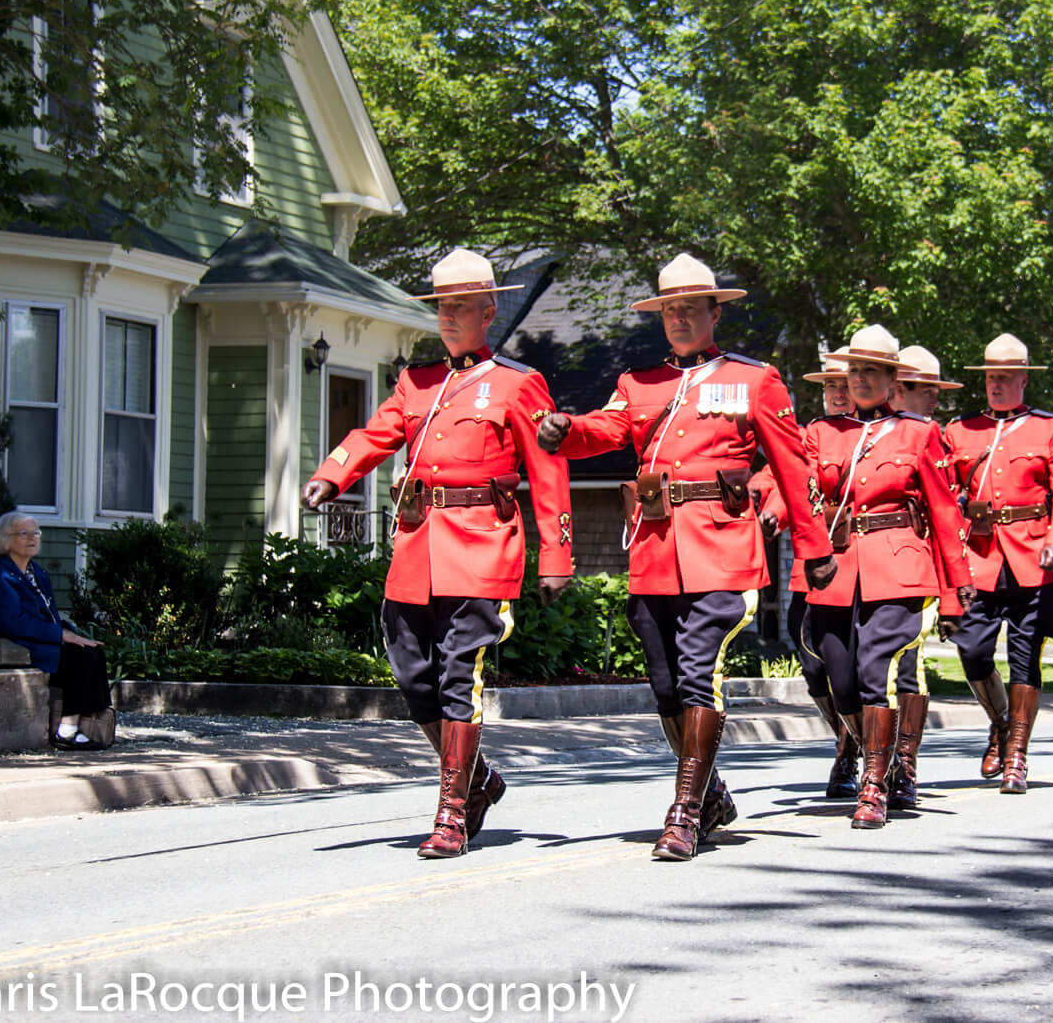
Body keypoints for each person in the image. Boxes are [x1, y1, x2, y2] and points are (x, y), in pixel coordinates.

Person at [536, 253, 836, 861]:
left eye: (690, 308)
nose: (678, 318)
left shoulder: (754, 379)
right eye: (669, 309)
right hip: (654, 547)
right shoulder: (638, 382)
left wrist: (815, 547)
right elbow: (605, 430)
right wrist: (566, 429)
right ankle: (712, 791)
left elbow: (792, 467)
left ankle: (686, 812)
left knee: (699, 674)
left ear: (714, 313)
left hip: (722, 548)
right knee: (666, 684)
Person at [303, 248, 573, 859]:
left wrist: (557, 557)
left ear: (488, 311)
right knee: (411, 673)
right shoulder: (416, 381)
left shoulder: (518, 384)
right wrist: (332, 475)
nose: (448, 317)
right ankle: (478, 780)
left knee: (457, 677)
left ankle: (452, 812)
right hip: (418, 546)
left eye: (460, 306)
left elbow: (549, 472)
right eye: (441, 307)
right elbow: (374, 434)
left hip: (481, 548)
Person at [799, 325, 972, 828]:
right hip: (836, 567)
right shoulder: (822, 432)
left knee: (876, 671)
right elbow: (800, 493)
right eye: (854, 370)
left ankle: (874, 785)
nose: (860, 379)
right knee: (841, 678)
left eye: (871, 371)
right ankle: (886, 758)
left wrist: (955, 592)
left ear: (893, 380)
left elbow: (943, 513)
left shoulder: (919, 433)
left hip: (898, 565)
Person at [944, 333, 1053, 793]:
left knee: (1026, 656)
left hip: (1032, 555)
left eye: (1005, 377)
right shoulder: (960, 430)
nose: (996, 384)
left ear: (1024, 379)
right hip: (979, 556)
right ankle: (1001, 723)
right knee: (971, 649)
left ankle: (1017, 755)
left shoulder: (1051, 427)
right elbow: (946, 493)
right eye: (990, 377)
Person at [757, 347, 860, 799]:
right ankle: (849, 740)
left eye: (844, 384)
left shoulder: (879, 431)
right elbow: (790, 480)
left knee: (857, 669)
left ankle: (857, 754)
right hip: (815, 566)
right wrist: (772, 512)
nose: (837, 393)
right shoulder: (810, 434)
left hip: (865, 562)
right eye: (830, 385)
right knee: (814, 667)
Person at [885, 343, 964, 808]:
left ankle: (904, 763)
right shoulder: (868, 433)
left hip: (916, 570)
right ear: (898, 388)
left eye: (936, 390)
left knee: (907, 666)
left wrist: (952, 595)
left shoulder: (934, 438)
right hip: (862, 569)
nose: (934, 398)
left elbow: (945, 518)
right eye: (924, 389)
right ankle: (865, 753)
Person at [0, 512, 112, 750]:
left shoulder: (37, 573)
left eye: (35, 532)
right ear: (5, 539)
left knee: (93, 651)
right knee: (78, 656)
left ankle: (90, 722)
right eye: (23, 533)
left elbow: (49, 615)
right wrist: (59, 635)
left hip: (35, 637)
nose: (32, 538)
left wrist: (69, 632)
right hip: (8, 641)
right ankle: (66, 731)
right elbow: (10, 621)